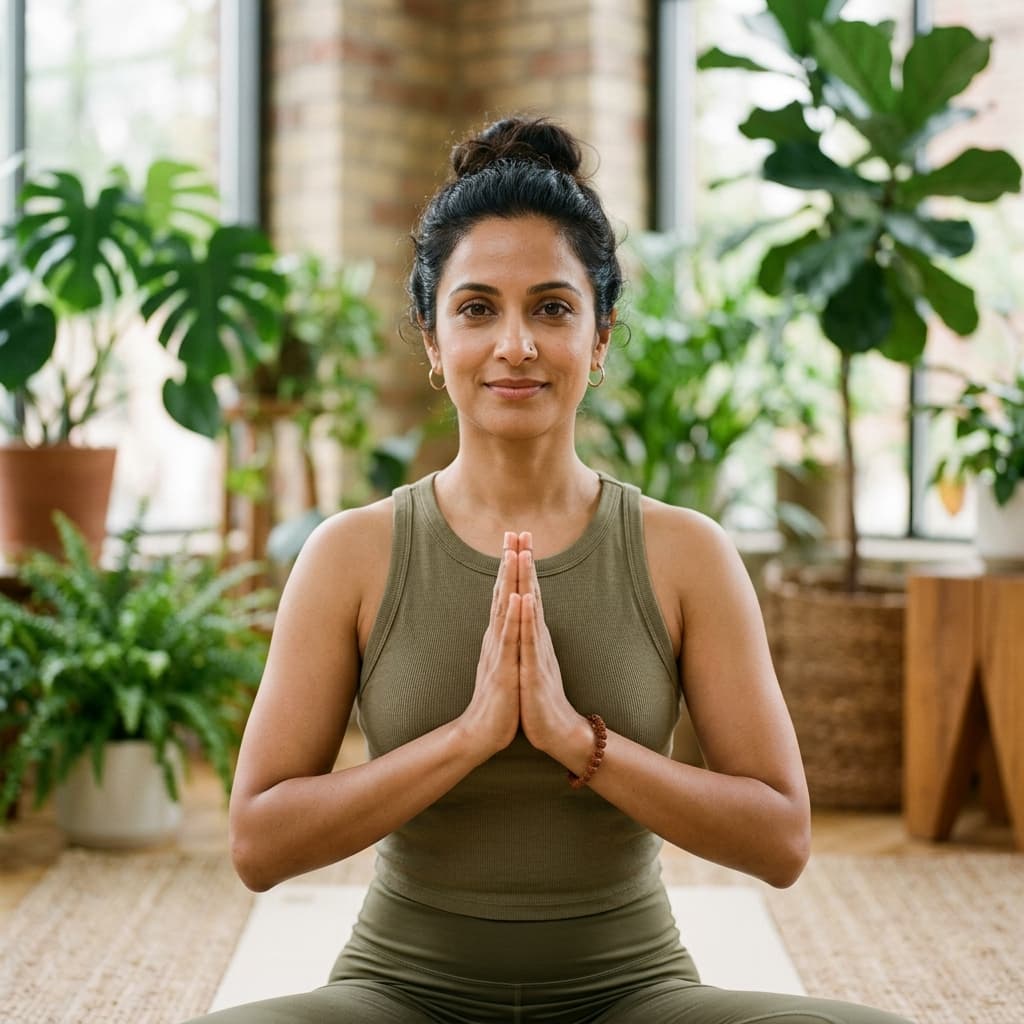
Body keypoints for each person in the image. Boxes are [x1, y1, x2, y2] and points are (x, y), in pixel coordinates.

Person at [185, 117, 914, 1024]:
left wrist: (580, 743)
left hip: (633, 995)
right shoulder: (352, 554)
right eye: (478, 307)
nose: (516, 344)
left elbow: (782, 838)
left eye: (554, 308)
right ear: (431, 336)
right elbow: (258, 844)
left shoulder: (684, 553)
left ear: (601, 337)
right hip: (400, 995)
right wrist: (471, 736)